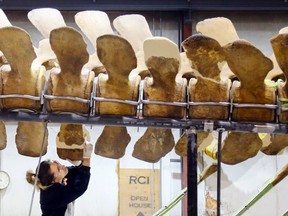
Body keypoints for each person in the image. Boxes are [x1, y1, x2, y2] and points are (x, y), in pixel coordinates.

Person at [26, 143, 93, 216]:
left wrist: (79, 164)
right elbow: (79, 187)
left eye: (57, 163)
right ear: (53, 181)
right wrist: (86, 159)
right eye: (59, 169)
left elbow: (74, 174)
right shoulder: (52, 195)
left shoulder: (57, 179)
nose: (63, 166)